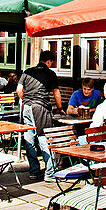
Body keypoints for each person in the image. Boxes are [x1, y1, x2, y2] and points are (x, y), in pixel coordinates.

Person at [17, 50, 62, 179]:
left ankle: (34, 170)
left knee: (29, 137)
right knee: (44, 137)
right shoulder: (50, 73)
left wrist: (25, 100)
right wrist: (59, 108)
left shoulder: (27, 72)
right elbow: (56, 93)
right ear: (49, 61)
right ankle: (49, 173)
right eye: (51, 63)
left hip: (27, 107)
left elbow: (19, 90)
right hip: (41, 108)